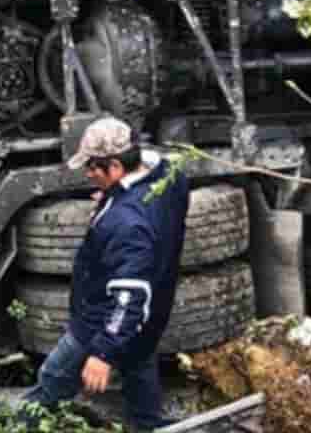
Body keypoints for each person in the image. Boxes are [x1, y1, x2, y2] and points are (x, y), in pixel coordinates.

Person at [18, 116, 190, 432]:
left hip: (99, 323)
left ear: (114, 166)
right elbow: (154, 178)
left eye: (93, 168)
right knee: (141, 385)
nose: (88, 175)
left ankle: (18, 428)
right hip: (148, 319)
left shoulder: (126, 223)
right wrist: (115, 196)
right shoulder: (170, 177)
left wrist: (102, 352)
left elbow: (130, 297)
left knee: (52, 381)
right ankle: (148, 426)